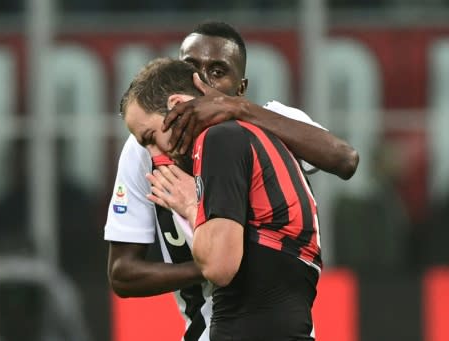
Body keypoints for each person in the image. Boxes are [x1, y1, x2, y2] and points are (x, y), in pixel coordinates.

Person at [105, 21, 358, 341]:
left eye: (217, 71)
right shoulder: (147, 146)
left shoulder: (269, 123)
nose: (201, 82)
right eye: (190, 68)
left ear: (240, 88)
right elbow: (122, 274)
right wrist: (211, 264)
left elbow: (345, 159)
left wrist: (237, 111)